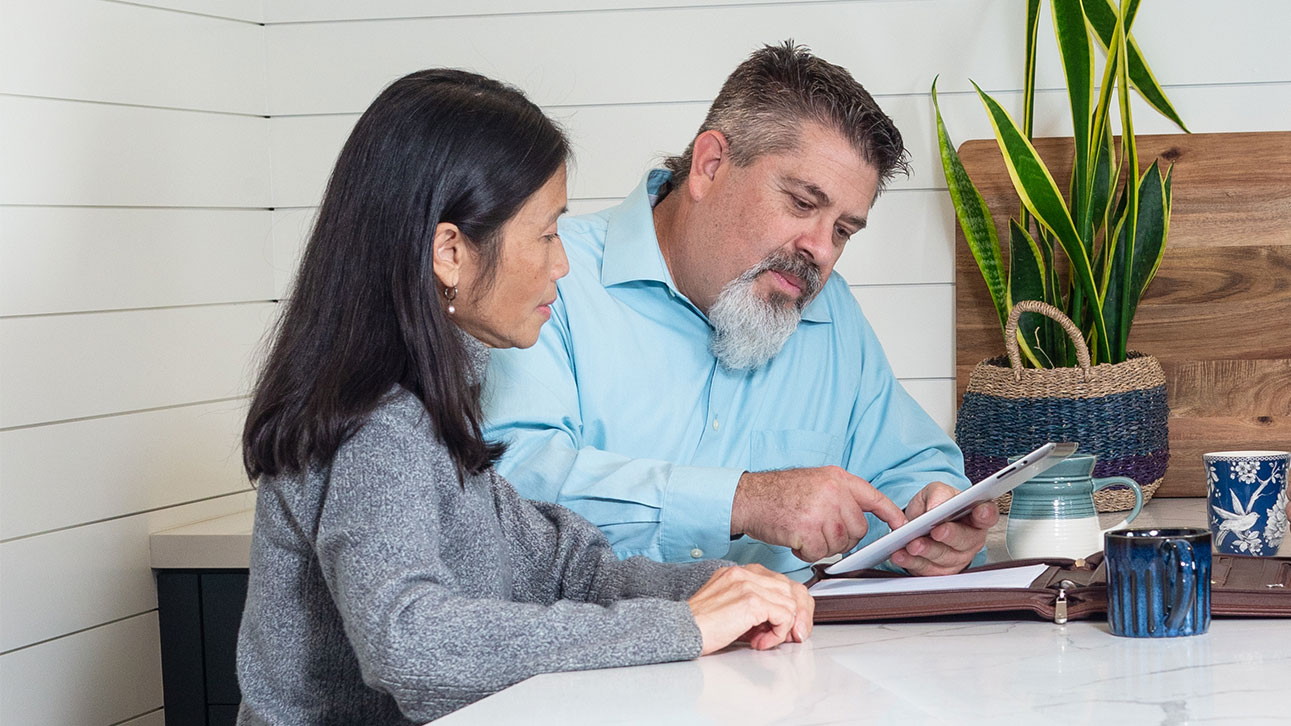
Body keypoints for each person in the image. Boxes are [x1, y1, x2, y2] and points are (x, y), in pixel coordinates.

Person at [235, 69, 814, 725]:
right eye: (545, 234)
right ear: (449, 252)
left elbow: (567, 571)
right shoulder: (379, 429)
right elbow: (411, 644)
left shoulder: (426, 412)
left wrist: (723, 589)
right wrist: (683, 626)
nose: (561, 264)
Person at [483, 42, 997, 581]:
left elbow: (912, 468)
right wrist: (741, 500)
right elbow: (511, 487)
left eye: (843, 230)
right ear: (710, 165)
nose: (821, 249)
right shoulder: (549, 277)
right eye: (802, 203)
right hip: (596, 654)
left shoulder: (831, 312)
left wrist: (937, 522)